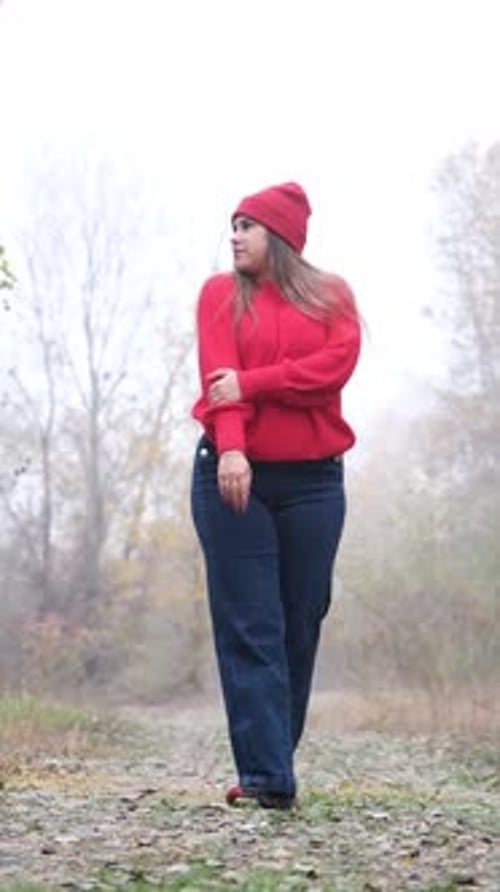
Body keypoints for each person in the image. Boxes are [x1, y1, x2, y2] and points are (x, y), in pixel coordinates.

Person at [190, 182, 361, 810]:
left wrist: (252, 384)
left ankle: (272, 758)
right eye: (231, 225)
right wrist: (232, 445)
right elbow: (216, 383)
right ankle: (268, 778)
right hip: (234, 473)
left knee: (301, 619)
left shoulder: (331, 297)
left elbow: (332, 372)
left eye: (247, 226)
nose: (234, 235)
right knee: (252, 625)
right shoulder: (218, 295)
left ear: (281, 236)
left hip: (315, 480)